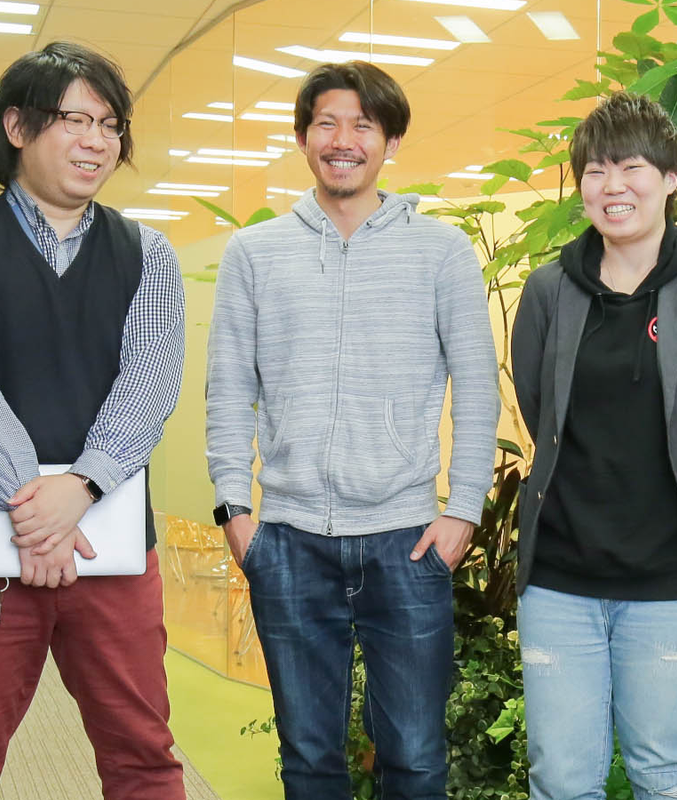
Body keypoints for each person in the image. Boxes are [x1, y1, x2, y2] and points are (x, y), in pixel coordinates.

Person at [204, 60, 499, 800]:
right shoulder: (254, 252)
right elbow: (229, 389)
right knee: (308, 758)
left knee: (416, 759)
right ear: (303, 137)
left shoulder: (440, 251)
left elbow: (477, 385)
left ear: (390, 142)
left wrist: (464, 509)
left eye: (363, 125)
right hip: (289, 540)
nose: (343, 140)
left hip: (407, 540)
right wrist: (235, 511)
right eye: (326, 123)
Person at [0, 41, 187, 800]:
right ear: (18, 127)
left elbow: (150, 381)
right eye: (74, 120)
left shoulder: (148, 252)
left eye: (110, 124)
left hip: (113, 544)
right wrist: (37, 512)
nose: (97, 140)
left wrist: (83, 486)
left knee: (145, 758)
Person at [508, 91, 677, 800]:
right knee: (561, 778)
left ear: (671, 178)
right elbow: (540, 410)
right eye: (595, 170)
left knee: (668, 773)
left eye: (631, 167)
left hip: (674, 580)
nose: (612, 186)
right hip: (560, 578)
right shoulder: (548, 291)